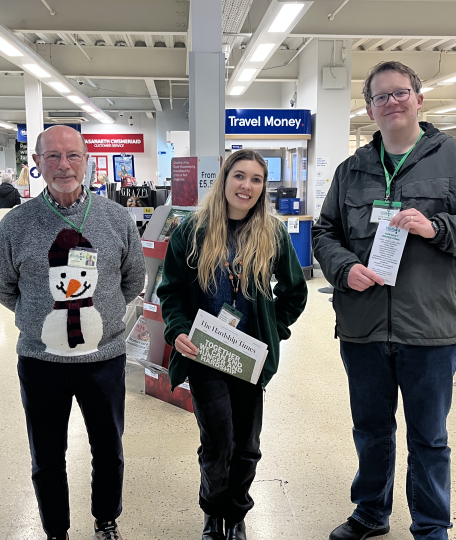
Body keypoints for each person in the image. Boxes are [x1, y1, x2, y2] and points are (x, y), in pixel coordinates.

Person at [312, 61, 456, 540]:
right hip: (363, 328)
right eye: (381, 97)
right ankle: (371, 513)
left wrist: (437, 227)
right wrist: (343, 267)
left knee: (429, 438)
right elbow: (325, 232)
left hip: (431, 327)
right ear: (370, 109)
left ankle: (430, 526)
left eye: (400, 93)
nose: (392, 102)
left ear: (419, 99)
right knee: (371, 430)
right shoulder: (352, 169)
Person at [0, 125, 145, 540]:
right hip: (42, 364)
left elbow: (133, 280)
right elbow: (3, 288)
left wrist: (104, 317)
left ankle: (106, 520)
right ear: (37, 164)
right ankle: (55, 531)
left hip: (104, 362)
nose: (63, 165)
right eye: (53, 156)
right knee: (47, 456)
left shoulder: (115, 218)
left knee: (108, 452)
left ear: (87, 161)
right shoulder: (16, 225)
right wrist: (43, 321)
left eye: (73, 155)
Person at [156, 149, 308, 540]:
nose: (247, 186)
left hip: (250, 359)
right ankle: (213, 511)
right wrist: (178, 330)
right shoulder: (193, 230)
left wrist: (273, 329)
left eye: (256, 179)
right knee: (218, 441)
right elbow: (170, 292)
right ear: (224, 179)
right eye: (239, 176)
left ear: (263, 188)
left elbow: (294, 292)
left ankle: (236, 513)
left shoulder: (271, 232)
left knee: (247, 445)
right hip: (206, 354)